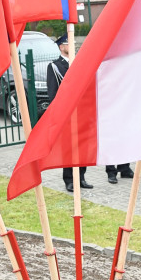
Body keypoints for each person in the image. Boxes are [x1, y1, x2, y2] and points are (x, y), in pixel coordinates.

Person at [48, 34, 91, 192]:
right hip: (66, 115)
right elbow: (52, 94)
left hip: (82, 114)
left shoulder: (78, 64)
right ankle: (69, 180)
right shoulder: (54, 66)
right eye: (69, 43)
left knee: (83, 147)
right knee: (69, 149)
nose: (72, 45)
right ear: (61, 47)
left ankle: (82, 177)